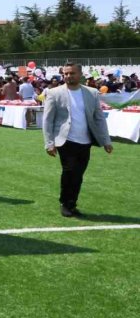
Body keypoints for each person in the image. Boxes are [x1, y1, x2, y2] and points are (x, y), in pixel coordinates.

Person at [42, 62, 113, 217]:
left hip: (86, 141)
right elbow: (47, 120)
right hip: (65, 140)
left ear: (80, 74)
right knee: (70, 171)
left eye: (72, 73)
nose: (68, 76)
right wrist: (49, 143)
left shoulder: (92, 93)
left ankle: (71, 203)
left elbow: (99, 118)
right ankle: (65, 203)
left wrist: (106, 140)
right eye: (66, 73)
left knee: (78, 175)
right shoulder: (54, 93)